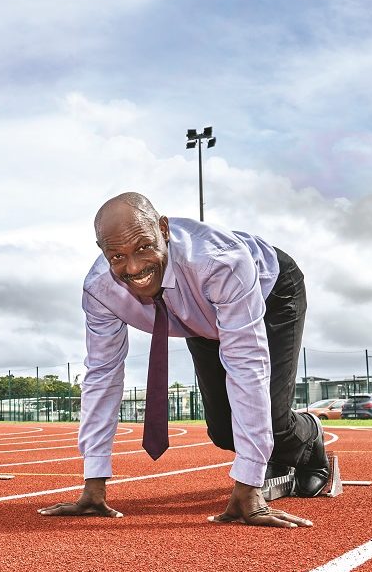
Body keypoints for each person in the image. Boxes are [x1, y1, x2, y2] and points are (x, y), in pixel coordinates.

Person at [39, 192, 329, 528]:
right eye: (117, 256)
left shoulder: (219, 261)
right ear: (102, 251)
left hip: (269, 291)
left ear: (163, 229)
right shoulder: (100, 290)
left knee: (271, 419)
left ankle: (309, 436)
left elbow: (246, 365)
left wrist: (249, 489)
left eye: (144, 247)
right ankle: (275, 454)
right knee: (223, 432)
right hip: (196, 315)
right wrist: (93, 484)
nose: (133, 268)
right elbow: (101, 375)